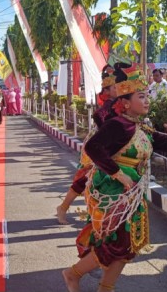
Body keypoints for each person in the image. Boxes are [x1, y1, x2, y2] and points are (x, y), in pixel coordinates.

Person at [62, 63, 167, 292]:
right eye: (141, 96)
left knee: (128, 245)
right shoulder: (118, 125)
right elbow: (94, 148)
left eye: (146, 96)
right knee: (115, 244)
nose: (147, 101)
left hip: (132, 196)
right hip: (114, 194)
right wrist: (119, 173)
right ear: (125, 103)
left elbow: (164, 143)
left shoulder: (140, 126)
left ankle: (105, 288)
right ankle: (72, 274)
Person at [56, 67, 118, 225]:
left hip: (116, 147)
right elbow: (100, 118)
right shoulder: (110, 106)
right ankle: (63, 207)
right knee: (86, 178)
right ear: (108, 91)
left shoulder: (121, 103)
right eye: (115, 87)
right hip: (101, 146)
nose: (119, 89)